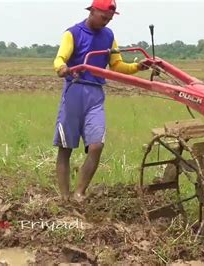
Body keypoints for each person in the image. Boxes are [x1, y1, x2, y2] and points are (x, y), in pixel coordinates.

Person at [53, 0, 151, 202]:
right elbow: (60, 58)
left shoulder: (108, 36)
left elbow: (116, 65)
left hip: (95, 94)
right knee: (66, 147)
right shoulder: (73, 33)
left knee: (96, 145)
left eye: (109, 19)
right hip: (74, 91)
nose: (106, 22)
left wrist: (136, 68)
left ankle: (79, 192)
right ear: (92, 11)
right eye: (104, 17)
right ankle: (64, 197)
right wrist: (61, 68)